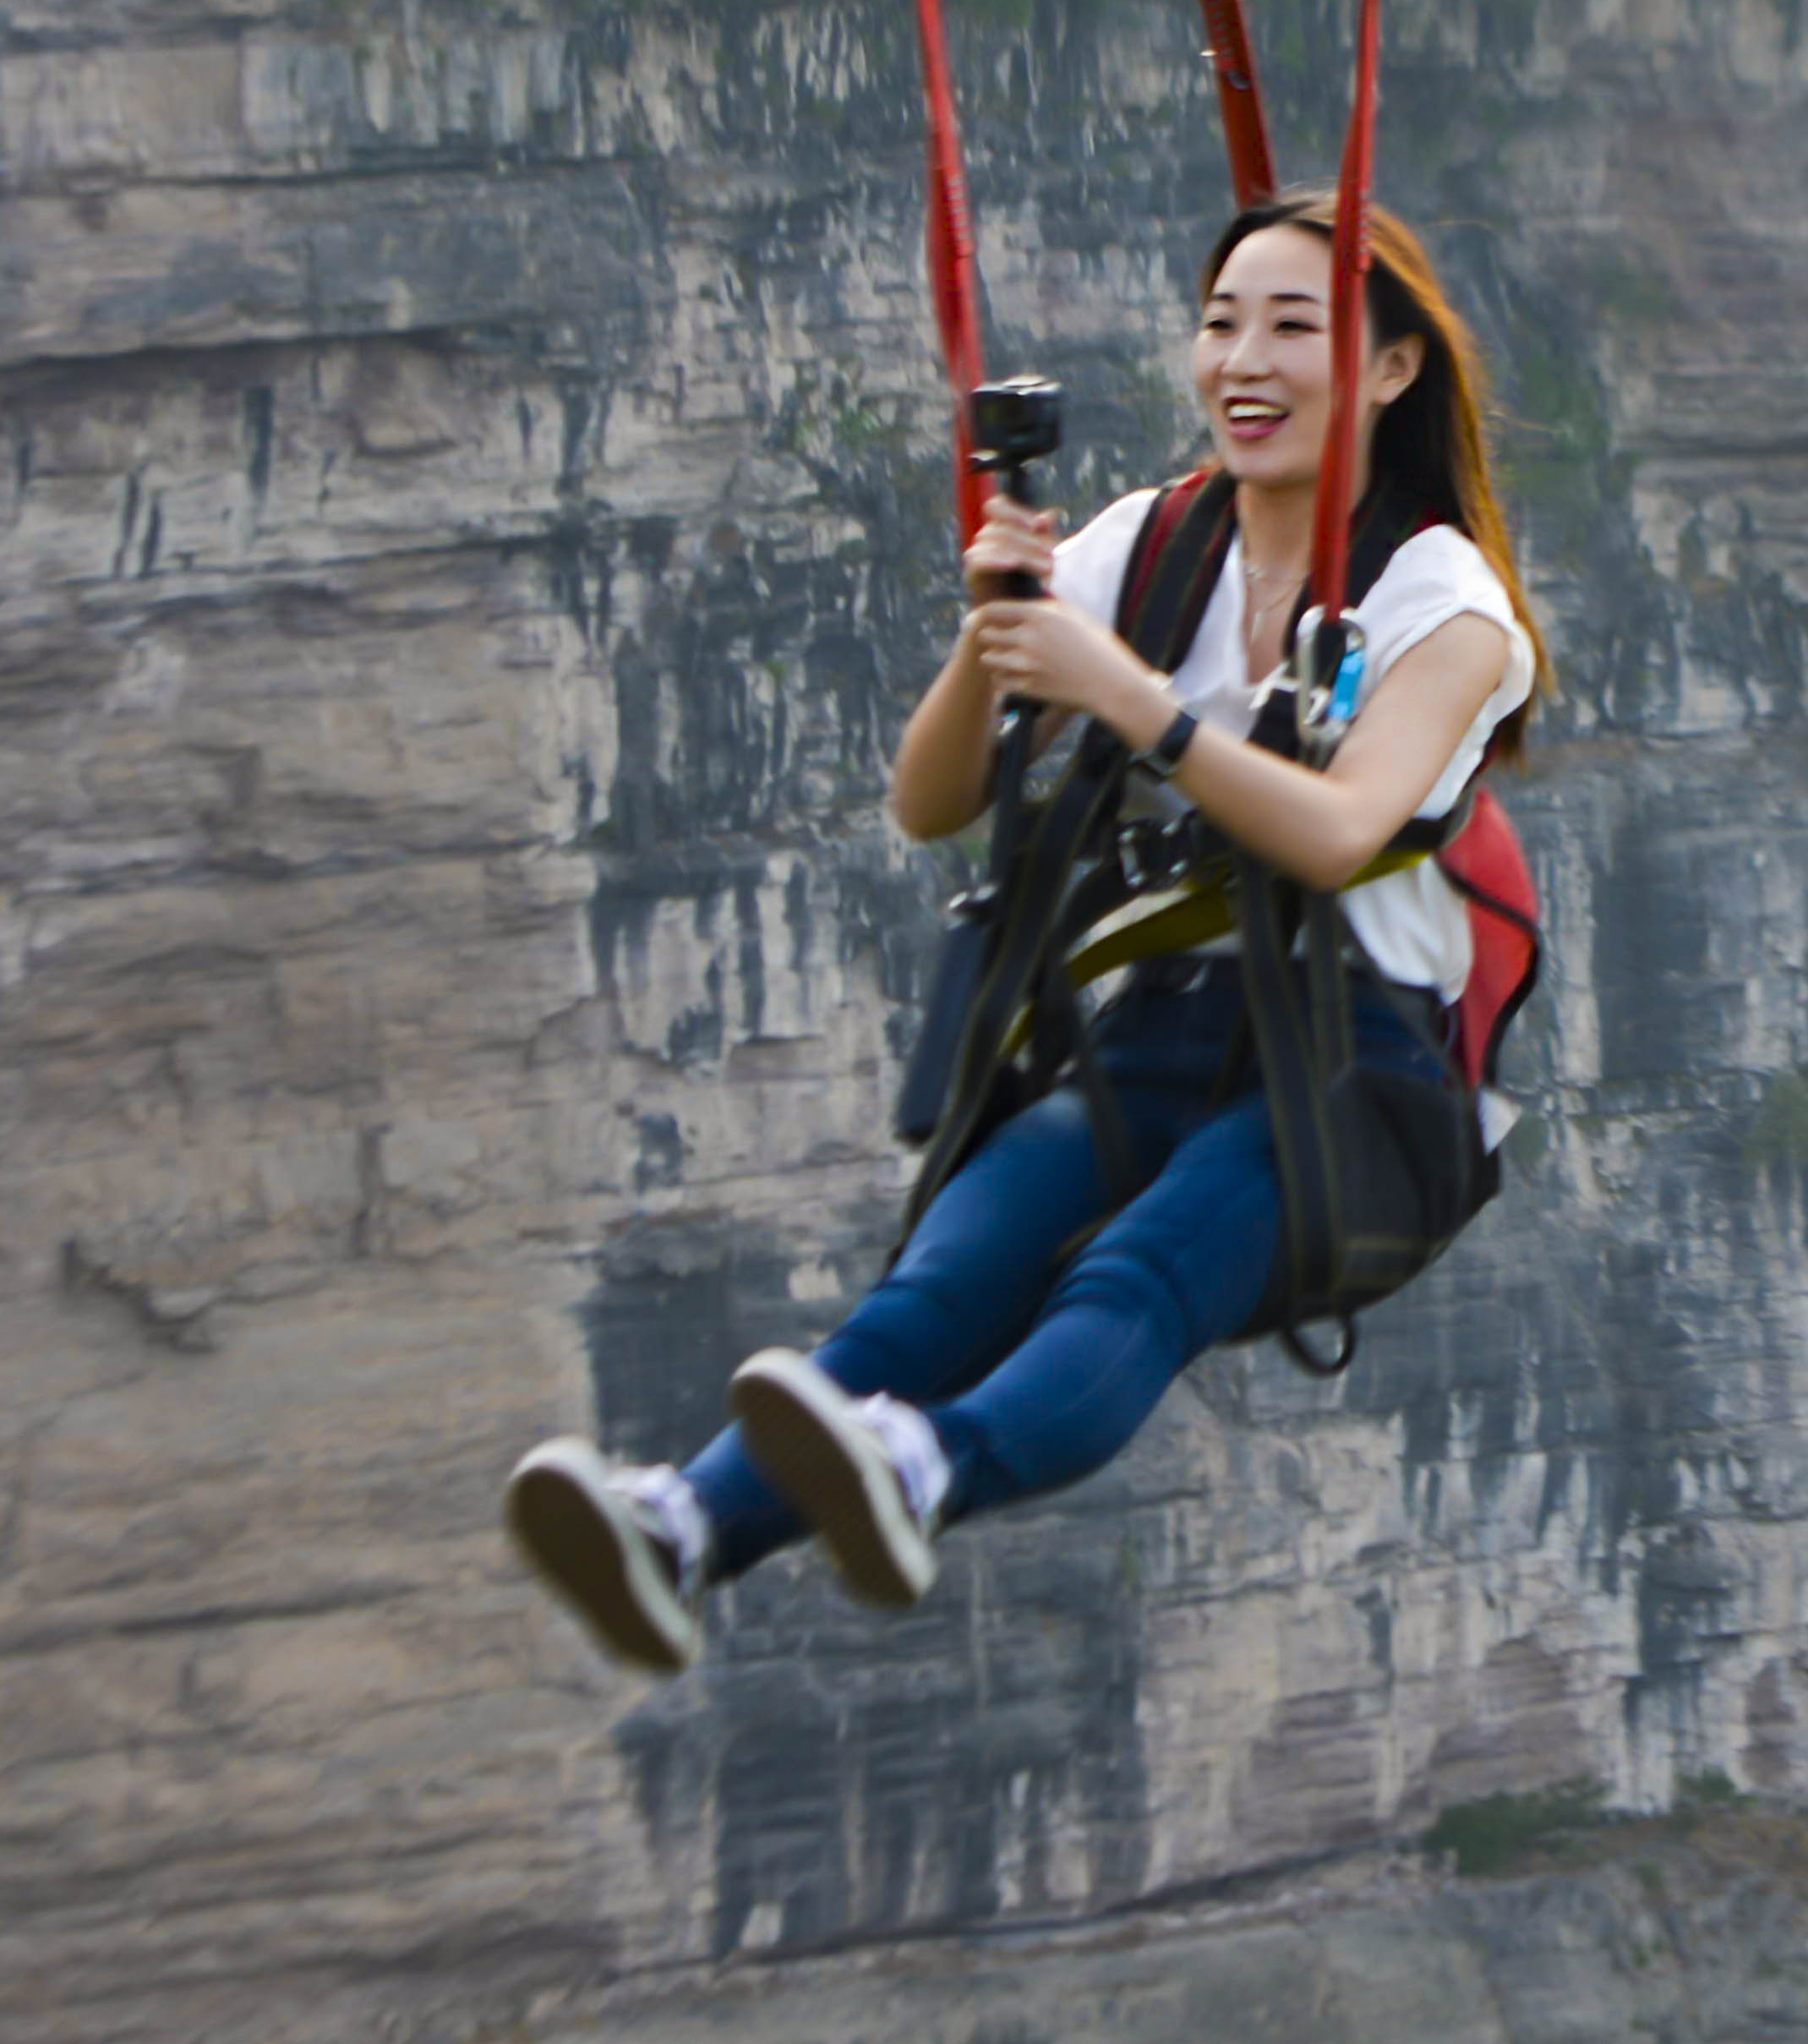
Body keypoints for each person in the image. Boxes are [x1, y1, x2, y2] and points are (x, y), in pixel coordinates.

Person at [505, 195, 1544, 1675]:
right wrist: (991, 638)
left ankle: (929, 1468)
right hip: (1168, 1024)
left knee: (1138, 1277)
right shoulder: (1155, 544)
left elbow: (1338, 829)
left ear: (1389, 372)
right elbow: (933, 800)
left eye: (1293, 327)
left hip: (1359, 1066)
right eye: (1222, 320)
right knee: (937, 1288)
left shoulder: (1443, 603)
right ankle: (681, 1526)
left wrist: (1122, 695)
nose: (1242, 358)